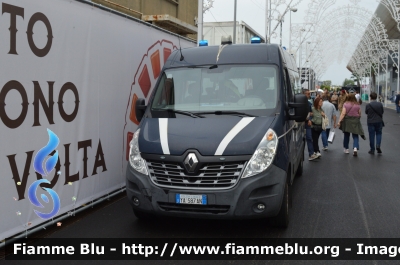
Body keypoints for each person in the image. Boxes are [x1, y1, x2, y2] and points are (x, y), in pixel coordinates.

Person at [303, 89, 318, 161]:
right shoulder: (300, 104)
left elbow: (312, 113)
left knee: (309, 138)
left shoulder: (309, 104)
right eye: (308, 94)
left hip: (307, 123)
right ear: (304, 94)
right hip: (300, 123)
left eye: (309, 94)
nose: (309, 95)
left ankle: (311, 153)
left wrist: (310, 119)